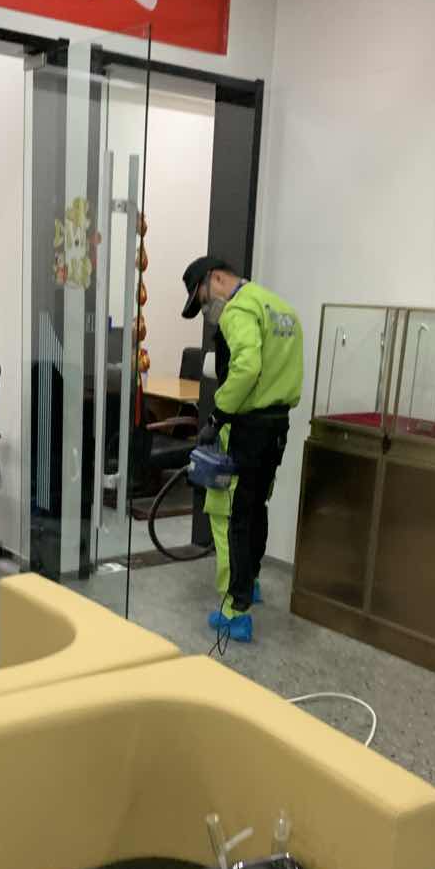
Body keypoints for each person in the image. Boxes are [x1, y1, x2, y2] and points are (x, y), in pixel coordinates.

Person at [180, 256, 304, 643]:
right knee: (257, 506)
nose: (208, 310)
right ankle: (251, 584)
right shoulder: (279, 307)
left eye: (203, 300)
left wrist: (217, 416)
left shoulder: (238, 310)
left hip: (249, 427)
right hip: (278, 425)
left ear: (215, 278)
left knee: (236, 514)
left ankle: (236, 611)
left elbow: (247, 367)